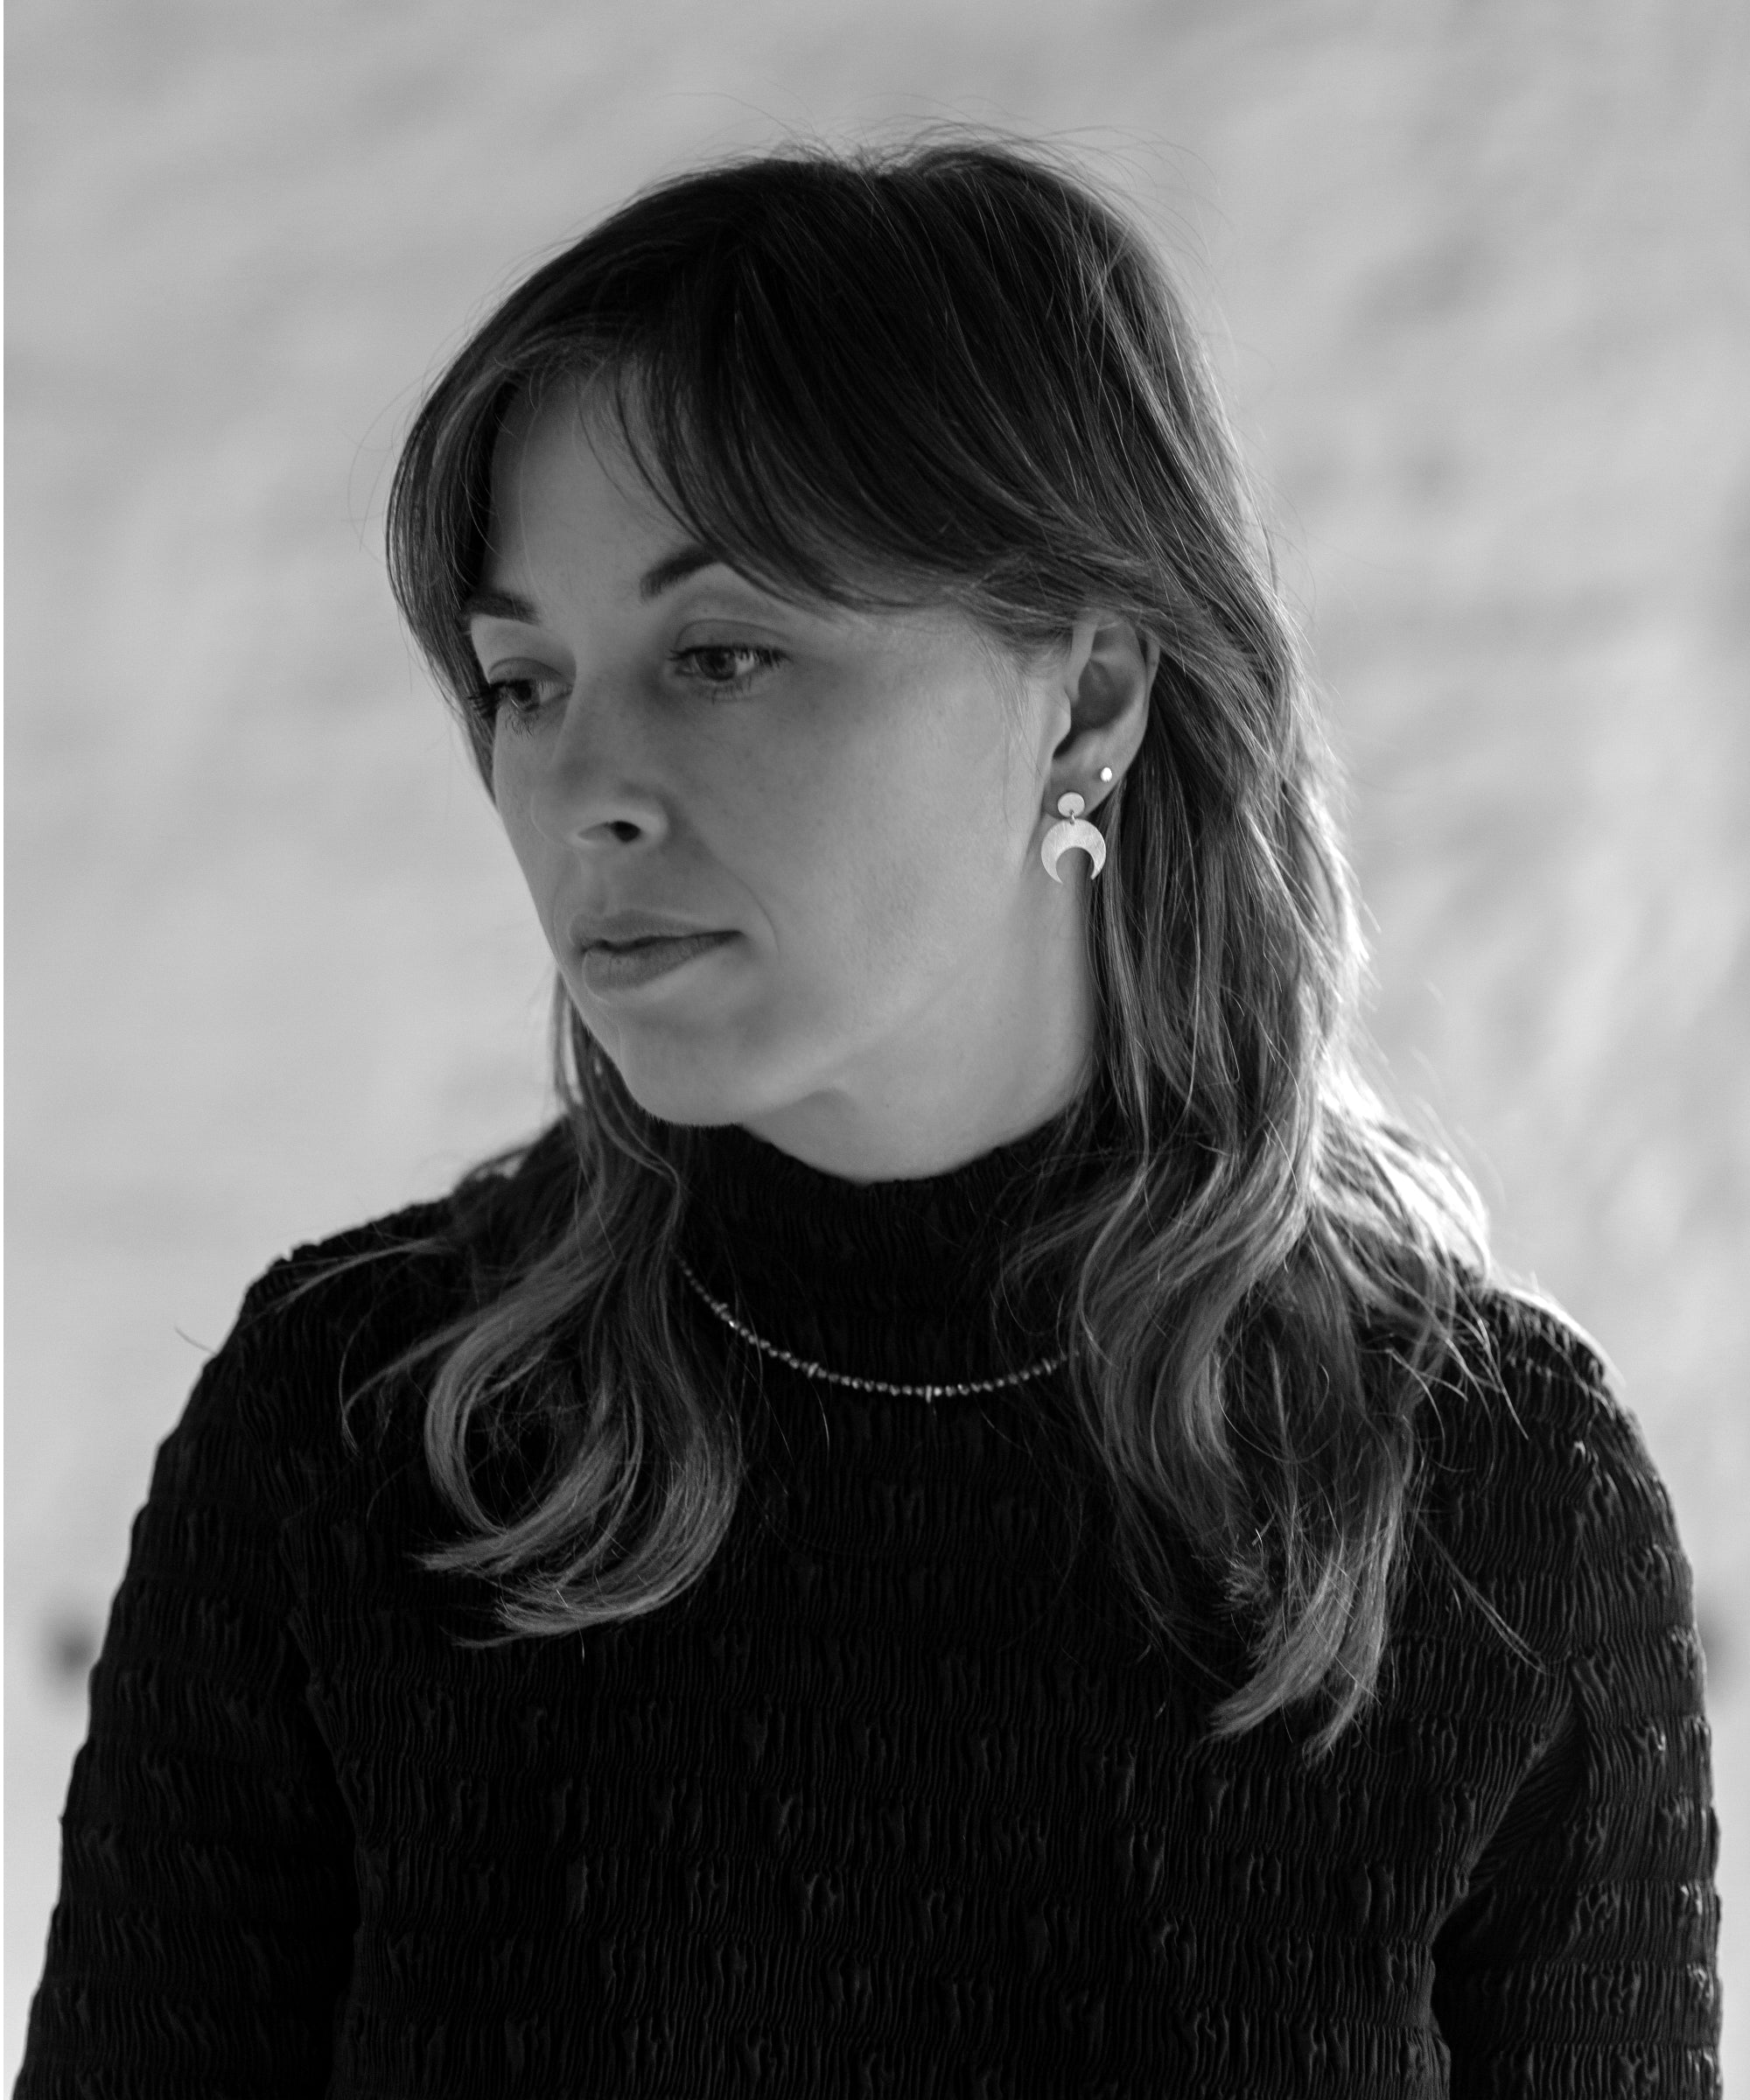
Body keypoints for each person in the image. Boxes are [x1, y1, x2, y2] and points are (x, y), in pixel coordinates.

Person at [16, 135, 1720, 2097]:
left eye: (722, 654)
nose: (585, 792)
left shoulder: (1493, 1493)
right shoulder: (355, 1435)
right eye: (521, 679)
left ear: (1085, 698)